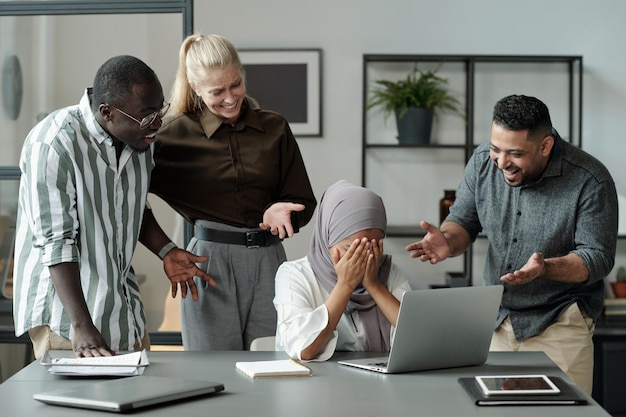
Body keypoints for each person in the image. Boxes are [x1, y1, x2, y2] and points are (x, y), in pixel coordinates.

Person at [405, 94, 618, 394]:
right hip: (496, 322)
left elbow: (596, 258)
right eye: (496, 149)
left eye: (515, 153)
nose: (502, 162)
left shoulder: (590, 180)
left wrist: (545, 268)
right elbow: (463, 221)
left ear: (545, 146)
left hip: (559, 324)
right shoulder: (482, 162)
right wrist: (448, 241)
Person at [13, 55, 215, 359]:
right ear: (107, 113)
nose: (157, 124)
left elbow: (133, 205)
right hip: (69, 322)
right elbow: (57, 244)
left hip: (125, 312)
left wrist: (167, 250)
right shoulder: (54, 143)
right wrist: (81, 326)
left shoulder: (138, 140)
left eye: (160, 110)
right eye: (147, 116)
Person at [149, 34, 317, 351]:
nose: (230, 98)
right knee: (214, 375)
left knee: (272, 366)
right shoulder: (171, 137)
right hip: (207, 263)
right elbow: (127, 194)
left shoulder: (275, 128)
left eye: (235, 84)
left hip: (269, 261)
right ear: (196, 88)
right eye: (217, 91)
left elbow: (304, 202)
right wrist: (166, 250)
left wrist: (280, 211)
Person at [274, 180, 411, 361]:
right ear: (327, 238)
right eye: (352, 249)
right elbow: (305, 349)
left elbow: (417, 339)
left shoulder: (388, 273)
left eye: (374, 247)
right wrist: (345, 285)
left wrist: (375, 286)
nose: (364, 257)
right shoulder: (294, 275)